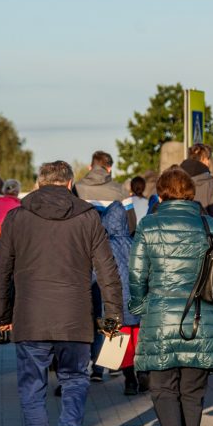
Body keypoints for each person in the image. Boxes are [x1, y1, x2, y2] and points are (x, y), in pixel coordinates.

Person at [0, 160, 122, 426]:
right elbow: (107, 269)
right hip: (75, 317)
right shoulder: (88, 216)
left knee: (32, 388)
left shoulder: (18, 216)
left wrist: (2, 315)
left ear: (38, 182)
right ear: (69, 183)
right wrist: (113, 312)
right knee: (75, 379)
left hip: (30, 317)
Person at [129, 166, 213, 426]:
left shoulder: (149, 225)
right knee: (192, 391)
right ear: (190, 193)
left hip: (160, 318)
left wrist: (138, 305)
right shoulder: (208, 224)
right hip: (199, 316)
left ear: (161, 194)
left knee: (163, 386)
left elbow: (136, 273)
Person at [73, 150, 133, 381]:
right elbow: (131, 224)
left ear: (91, 167)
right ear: (109, 168)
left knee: (87, 312)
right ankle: (110, 363)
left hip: (82, 258)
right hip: (112, 256)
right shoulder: (119, 190)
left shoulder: (76, 188)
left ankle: (87, 365)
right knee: (112, 310)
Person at [99, 201, 141, 395]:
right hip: (136, 301)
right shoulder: (135, 242)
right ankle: (142, 376)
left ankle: (129, 379)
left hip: (114, 302)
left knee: (117, 341)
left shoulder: (104, 246)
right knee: (136, 342)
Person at [180, 143, 213, 224]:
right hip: (202, 232)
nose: (209, 162)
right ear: (204, 159)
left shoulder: (175, 179)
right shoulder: (212, 184)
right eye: (208, 158)